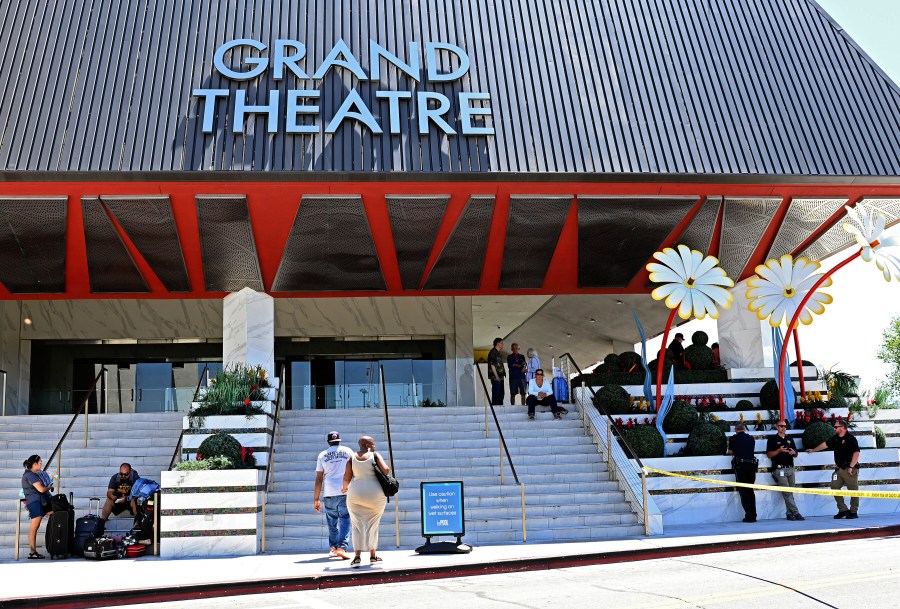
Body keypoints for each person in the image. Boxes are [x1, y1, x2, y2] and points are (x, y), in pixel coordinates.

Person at [342, 435, 390, 567]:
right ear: (368, 445)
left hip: (356, 493)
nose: (374, 445)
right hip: (375, 494)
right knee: (373, 524)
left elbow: (347, 477)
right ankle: (373, 555)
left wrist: (344, 488)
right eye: (373, 443)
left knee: (356, 525)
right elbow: (386, 470)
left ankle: (357, 557)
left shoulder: (351, 457)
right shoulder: (374, 455)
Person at [807, 419, 860, 519]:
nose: (834, 428)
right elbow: (825, 444)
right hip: (839, 469)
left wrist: (851, 467)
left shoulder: (850, 438)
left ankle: (853, 512)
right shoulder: (836, 438)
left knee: (853, 491)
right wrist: (814, 450)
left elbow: (856, 453)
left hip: (850, 469)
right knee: (834, 486)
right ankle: (843, 510)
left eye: (836, 427)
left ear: (843, 428)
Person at [314, 431, 354, 560]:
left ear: (328, 442)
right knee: (345, 519)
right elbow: (355, 470)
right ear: (339, 440)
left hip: (329, 491)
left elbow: (319, 479)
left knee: (332, 521)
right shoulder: (348, 451)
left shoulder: (322, 455)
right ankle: (342, 547)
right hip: (345, 490)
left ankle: (334, 548)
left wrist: (316, 499)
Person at [766, 420, 804, 521]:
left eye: (785, 426)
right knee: (787, 492)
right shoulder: (772, 440)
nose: (783, 428)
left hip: (790, 468)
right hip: (779, 469)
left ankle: (789, 513)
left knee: (790, 492)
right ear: (777, 427)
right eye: (781, 426)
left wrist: (793, 452)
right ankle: (796, 513)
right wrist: (778, 451)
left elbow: (796, 454)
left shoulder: (790, 439)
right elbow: (769, 454)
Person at [21, 455, 53, 559]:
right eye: (40, 462)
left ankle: (33, 551)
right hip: (35, 502)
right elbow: (41, 489)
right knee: (34, 527)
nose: (41, 464)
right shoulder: (30, 475)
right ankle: (32, 551)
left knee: (36, 527)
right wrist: (49, 487)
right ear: (34, 464)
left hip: (37, 502)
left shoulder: (31, 474)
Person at [727, 422, 757, 522]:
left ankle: (749, 516)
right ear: (744, 429)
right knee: (750, 491)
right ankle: (754, 514)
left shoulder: (733, 438)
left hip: (741, 466)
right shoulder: (751, 438)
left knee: (744, 492)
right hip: (751, 466)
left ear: (736, 429)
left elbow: (730, 451)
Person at [487, 337, 506, 406]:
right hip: (496, 377)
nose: (503, 345)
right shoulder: (493, 352)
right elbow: (492, 365)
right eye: (502, 343)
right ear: (498, 344)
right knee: (496, 393)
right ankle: (495, 408)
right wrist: (496, 376)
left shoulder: (497, 352)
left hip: (500, 377)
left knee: (501, 394)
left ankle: (500, 407)